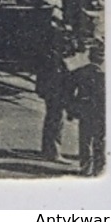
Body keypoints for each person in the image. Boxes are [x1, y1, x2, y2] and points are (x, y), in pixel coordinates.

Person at [67, 41, 105, 176]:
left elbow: (69, 91)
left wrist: (71, 109)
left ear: (89, 57)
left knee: (85, 139)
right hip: (102, 112)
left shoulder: (80, 72)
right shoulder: (105, 75)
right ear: (102, 60)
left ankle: (85, 167)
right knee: (100, 140)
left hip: (85, 110)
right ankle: (99, 169)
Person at [36, 16, 70, 161]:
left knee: (52, 118)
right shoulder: (55, 58)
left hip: (49, 91)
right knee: (56, 120)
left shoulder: (45, 53)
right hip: (56, 91)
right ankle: (53, 152)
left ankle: (48, 150)